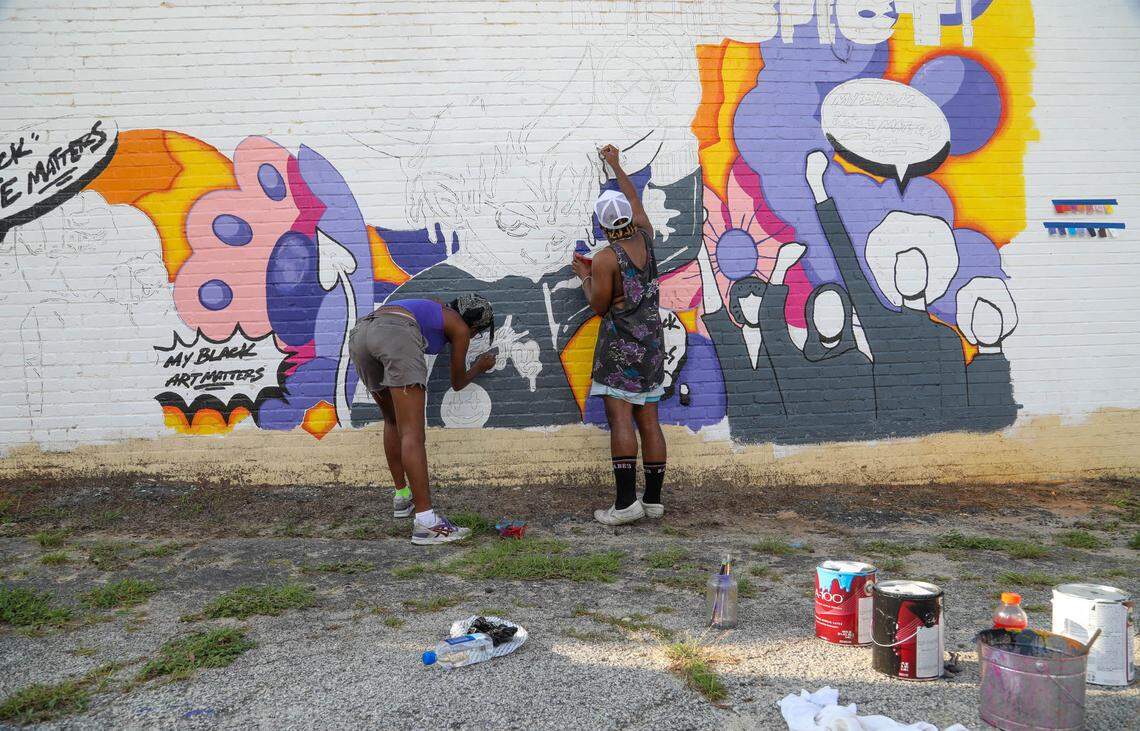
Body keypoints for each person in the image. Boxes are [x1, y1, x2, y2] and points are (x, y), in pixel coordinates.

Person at [348, 294, 496, 545]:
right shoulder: (461, 329)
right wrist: (479, 367)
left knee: (393, 421)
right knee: (413, 433)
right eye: (477, 333)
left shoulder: (437, 307)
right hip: (396, 334)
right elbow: (458, 382)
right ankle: (427, 523)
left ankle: (402, 497)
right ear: (474, 327)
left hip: (362, 333)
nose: (472, 337)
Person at [572, 144, 667, 526]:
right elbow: (635, 200)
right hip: (653, 345)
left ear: (602, 226)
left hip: (621, 348)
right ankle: (653, 501)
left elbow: (598, 306)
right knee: (650, 420)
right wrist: (615, 164)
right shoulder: (647, 237)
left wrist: (586, 277)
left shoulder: (606, 258)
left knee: (621, 418)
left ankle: (626, 504)